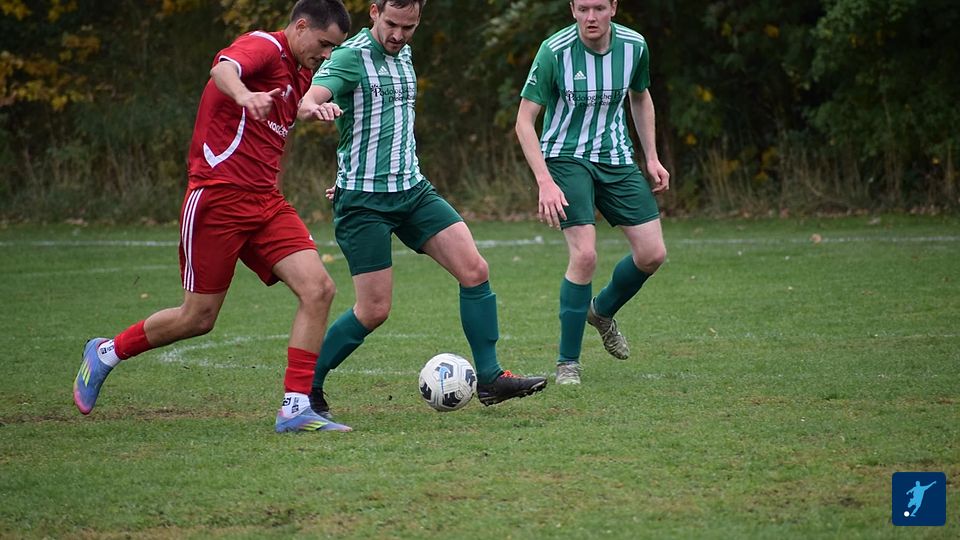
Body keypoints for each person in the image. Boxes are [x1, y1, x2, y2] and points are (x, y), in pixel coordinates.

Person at [73, 0, 354, 433]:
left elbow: (292, 105)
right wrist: (244, 95)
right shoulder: (265, 46)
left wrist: (311, 109)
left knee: (319, 289)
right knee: (198, 318)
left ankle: (295, 408)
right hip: (217, 198)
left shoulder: (301, 71)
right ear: (300, 26)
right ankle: (106, 352)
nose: (327, 54)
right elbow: (223, 69)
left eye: (334, 48)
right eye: (324, 43)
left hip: (265, 202)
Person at [298, 0, 547, 423]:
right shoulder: (349, 57)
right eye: (392, 24)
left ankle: (490, 378)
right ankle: (306, 384)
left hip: (413, 191)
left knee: (475, 270)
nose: (398, 35)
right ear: (374, 12)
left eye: (409, 27)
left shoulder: (405, 53)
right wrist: (313, 108)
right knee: (374, 310)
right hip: (364, 203)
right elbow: (310, 99)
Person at [515, 0, 669, 385]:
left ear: (613, 8)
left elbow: (640, 96)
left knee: (652, 253)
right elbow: (524, 121)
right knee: (584, 255)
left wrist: (651, 157)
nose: (591, 17)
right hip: (565, 157)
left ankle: (601, 312)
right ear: (572, 9)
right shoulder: (554, 51)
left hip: (615, 157)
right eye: (582, 8)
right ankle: (568, 363)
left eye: (598, 8)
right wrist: (544, 180)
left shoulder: (634, 46)